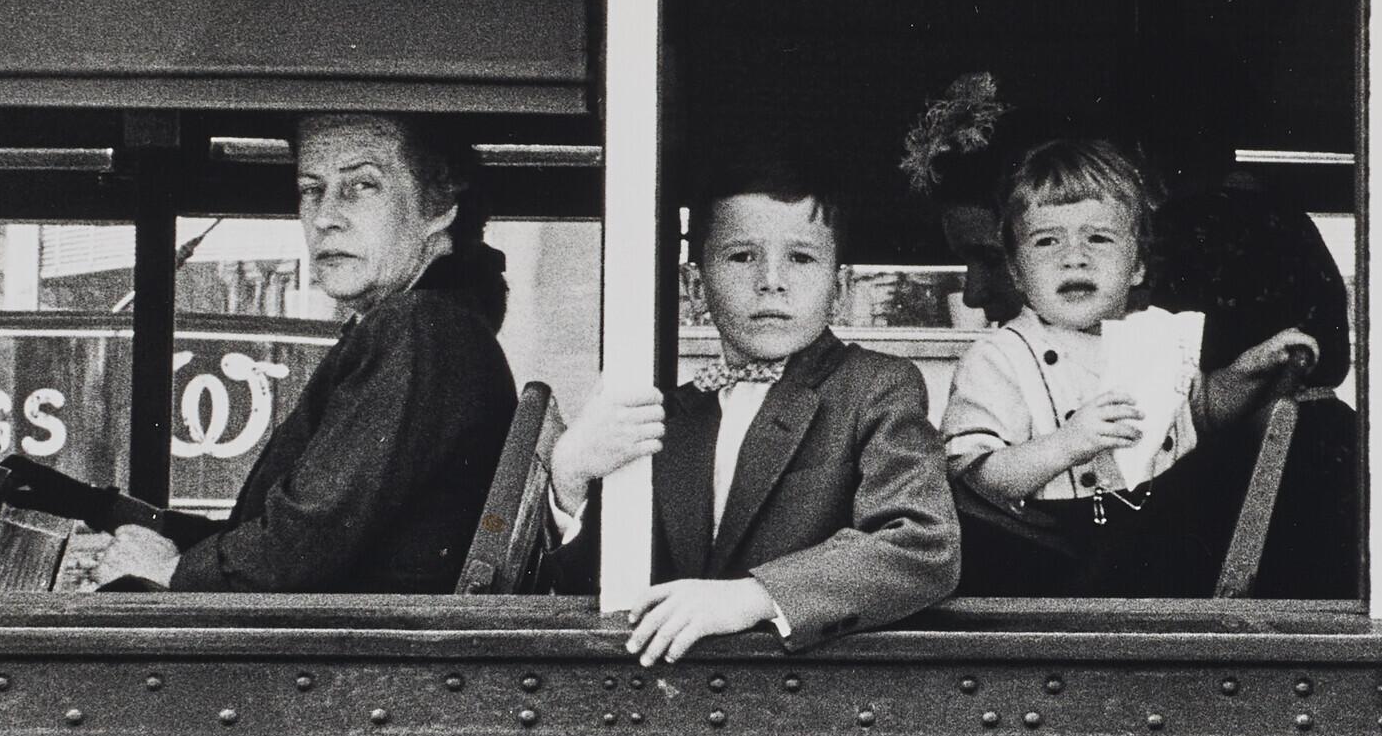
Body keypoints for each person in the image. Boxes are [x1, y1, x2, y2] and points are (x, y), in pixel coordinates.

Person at [546, 157, 958, 661]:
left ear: (840, 288)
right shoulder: (666, 415)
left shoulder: (877, 387)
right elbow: (594, 590)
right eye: (742, 256)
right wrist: (570, 479)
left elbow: (921, 545)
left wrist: (753, 596)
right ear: (696, 287)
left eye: (802, 259)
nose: (771, 281)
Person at [91, 114, 514, 592]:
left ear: (439, 204)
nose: (324, 217)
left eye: (361, 186)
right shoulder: (433, 324)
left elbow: (305, 539)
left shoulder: (418, 326)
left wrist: (170, 571)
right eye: (312, 190)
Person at [941, 138, 1318, 594]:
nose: (1074, 256)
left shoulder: (1156, 337)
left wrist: (1249, 371)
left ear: (1137, 264)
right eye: (1046, 240)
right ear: (1018, 272)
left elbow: (1197, 416)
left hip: (1152, 541)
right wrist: (1069, 444)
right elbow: (975, 480)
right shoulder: (999, 356)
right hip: (1054, 555)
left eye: (1098, 238)